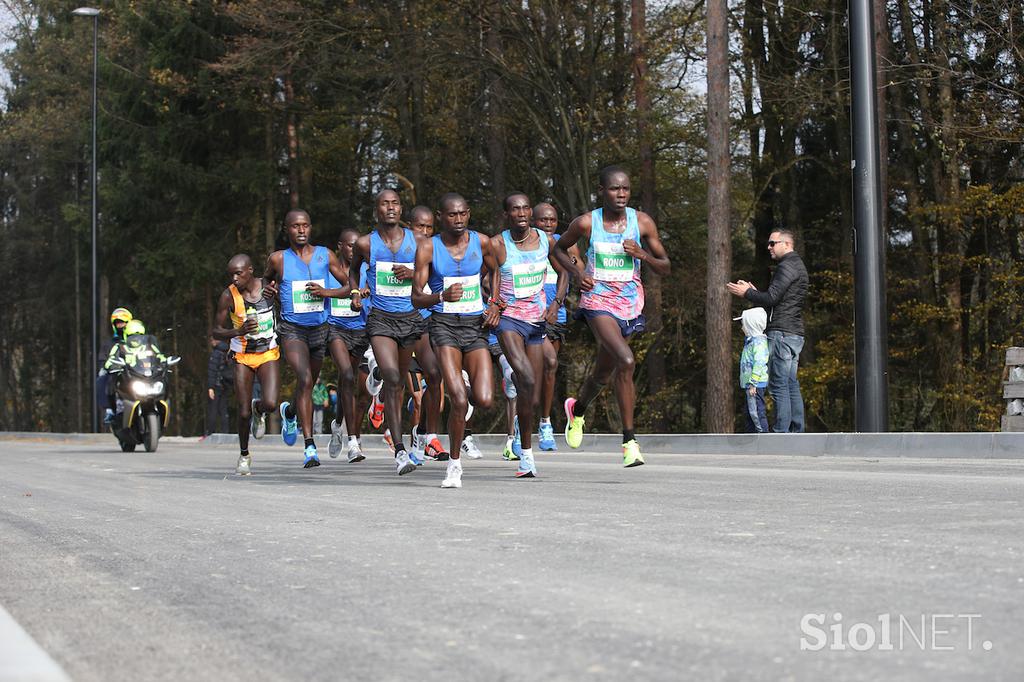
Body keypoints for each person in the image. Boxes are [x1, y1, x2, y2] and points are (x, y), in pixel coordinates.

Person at [554, 166, 671, 467]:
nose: (621, 194)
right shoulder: (586, 223)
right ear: (601, 191)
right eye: (614, 189)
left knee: (604, 372)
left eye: (626, 189)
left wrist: (642, 255)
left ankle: (577, 410)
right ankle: (629, 441)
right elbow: (557, 249)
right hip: (597, 302)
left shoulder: (642, 222)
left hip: (629, 304)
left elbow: (665, 266)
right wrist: (577, 272)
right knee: (626, 360)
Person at [412, 192, 495, 488]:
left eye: (462, 214)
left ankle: (464, 383)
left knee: (484, 399)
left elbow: (496, 269)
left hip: (475, 326)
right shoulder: (427, 248)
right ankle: (454, 465)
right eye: (451, 215)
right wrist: (440, 296)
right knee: (458, 400)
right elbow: (416, 297)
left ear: (469, 213)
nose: (458, 219)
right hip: (443, 325)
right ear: (440, 217)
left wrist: (495, 303)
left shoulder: (483, 241)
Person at [263, 209, 351, 468]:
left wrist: (326, 292)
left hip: (320, 329)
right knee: (303, 378)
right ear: (286, 230)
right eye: (295, 226)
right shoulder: (278, 259)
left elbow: (349, 285)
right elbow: (265, 282)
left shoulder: (325, 255)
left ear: (310, 228)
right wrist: (270, 289)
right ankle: (309, 446)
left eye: (305, 226)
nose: (301, 230)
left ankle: (289, 412)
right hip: (292, 330)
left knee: (308, 385)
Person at [488, 192, 567, 478]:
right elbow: (485, 278)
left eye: (525, 208)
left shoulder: (546, 241)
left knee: (530, 395)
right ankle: (527, 457)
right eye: (515, 209)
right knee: (529, 378)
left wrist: (556, 303)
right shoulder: (498, 244)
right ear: (507, 214)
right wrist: (494, 303)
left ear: (530, 212)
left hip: (536, 323)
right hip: (509, 322)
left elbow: (565, 271)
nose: (521, 213)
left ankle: (514, 383)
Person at [349, 190, 424, 476]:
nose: (390, 208)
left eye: (395, 203)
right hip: (380, 318)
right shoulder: (365, 243)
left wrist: (413, 273)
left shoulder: (416, 240)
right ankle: (400, 451)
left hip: (409, 317)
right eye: (384, 203)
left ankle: (394, 431)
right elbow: (353, 271)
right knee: (391, 376)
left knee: (398, 384)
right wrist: (356, 293)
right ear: (376, 210)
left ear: (401, 208)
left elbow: (430, 271)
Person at [727, 229, 809, 432]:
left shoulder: (787, 266)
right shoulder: (796, 266)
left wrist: (747, 293)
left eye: (773, 243)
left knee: (779, 384)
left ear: (787, 244)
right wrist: (755, 291)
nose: (769, 247)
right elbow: (777, 298)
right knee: (790, 383)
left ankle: (781, 432)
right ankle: (795, 430)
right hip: (794, 333)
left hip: (781, 333)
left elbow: (771, 299)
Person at [211, 254, 281, 475]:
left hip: (268, 352)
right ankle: (244, 454)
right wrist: (238, 331)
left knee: (270, 403)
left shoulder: (267, 288)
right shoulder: (228, 296)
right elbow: (216, 331)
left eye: (238, 273)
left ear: (250, 271)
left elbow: (285, 308)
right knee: (242, 413)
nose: (234, 278)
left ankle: (258, 409)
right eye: (231, 274)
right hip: (241, 355)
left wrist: (278, 296)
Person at [533, 202, 576, 451]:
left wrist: (572, 263)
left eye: (552, 220)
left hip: (555, 316)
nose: (548, 225)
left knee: (549, 370)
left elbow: (576, 270)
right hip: (529, 315)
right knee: (538, 367)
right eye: (543, 220)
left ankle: (545, 422)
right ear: (533, 222)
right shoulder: (529, 243)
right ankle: (519, 427)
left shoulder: (563, 242)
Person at [406, 204, 447, 464]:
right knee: (395, 382)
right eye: (419, 226)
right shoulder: (397, 248)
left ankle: (426, 434)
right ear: (409, 227)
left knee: (434, 375)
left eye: (429, 227)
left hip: (424, 320)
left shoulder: (433, 250)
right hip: (394, 322)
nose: (424, 231)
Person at [326, 227, 370, 462]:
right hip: (336, 329)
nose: (354, 249)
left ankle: (337, 425)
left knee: (351, 384)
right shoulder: (329, 271)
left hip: (361, 331)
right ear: (340, 246)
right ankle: (353, 442)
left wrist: (367, 293)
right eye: (350, 245)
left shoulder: (365, 269)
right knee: (346, 375)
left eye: (357, 245)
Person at [737, 308, 770, 433]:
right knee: (749, 412)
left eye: (744, 325)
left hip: (754, 385)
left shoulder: (759, 343)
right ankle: (750, 436)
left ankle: (764, 436)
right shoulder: (750, 342)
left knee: (756, 411)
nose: (742, 328)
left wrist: (753, 383)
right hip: (749, 384)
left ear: (751, 325)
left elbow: (759, 363)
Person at [99, 307, 132, 424]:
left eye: (123, 322)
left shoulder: (136, 341)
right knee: (102, 377)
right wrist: (106, 366)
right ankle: (109, 410)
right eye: (118, 323)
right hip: (117, 373)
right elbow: (103, 359)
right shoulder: (110, 343)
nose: (121, 325)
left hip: (136, 373)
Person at [205, 337, 233, 435]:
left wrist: (210, 387)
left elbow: (212, 371)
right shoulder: (228, 351)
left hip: (216, 385)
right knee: (223, 409)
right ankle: (225, 432)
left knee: (213, 409)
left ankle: (210, 432)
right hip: (225, 385)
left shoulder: (216, 353)